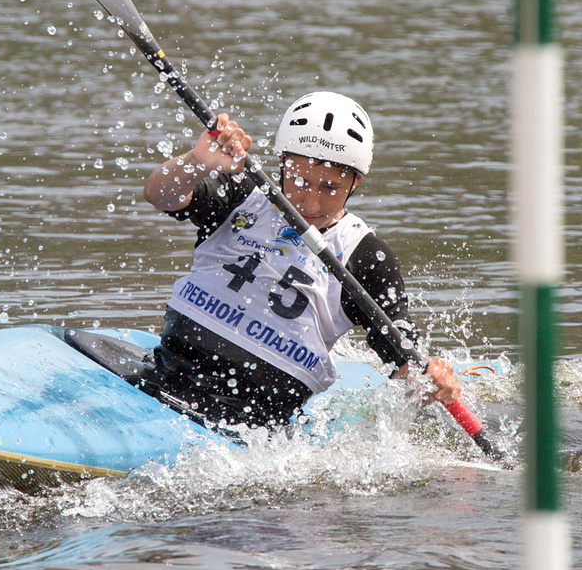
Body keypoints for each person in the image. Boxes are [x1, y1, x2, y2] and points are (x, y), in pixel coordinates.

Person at [139, 91, 461, 428]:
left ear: (356, 182)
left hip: (259, 423)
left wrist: (429, 381)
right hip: (171, 368)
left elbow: (404, 365)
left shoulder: (366, 256)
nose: (310, 204)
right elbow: (159, 195)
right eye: (299, 180)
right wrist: (199, 160)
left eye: (330, 188)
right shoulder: (243, 191)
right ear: (281, 162)